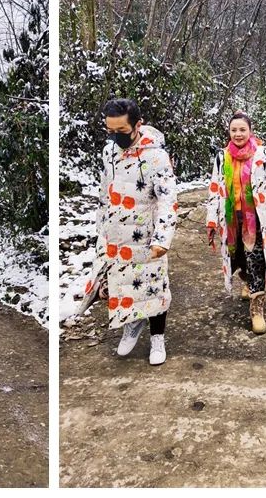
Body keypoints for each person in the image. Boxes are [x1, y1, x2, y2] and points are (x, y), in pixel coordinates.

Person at [82, 98, 177, 365]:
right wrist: (101, 226)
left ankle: (157, 337)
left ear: (138, 125)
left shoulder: (156, 156)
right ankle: (131, 324)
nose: (115, 137)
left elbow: (167, 199)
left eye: (121, 132)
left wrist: (162, 236)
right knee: (121, 282)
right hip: (116, 235)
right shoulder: (109, 152)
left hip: (144, 234)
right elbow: (105, 189)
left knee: (153, 285)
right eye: (110, 131)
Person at [207, 111, 266, 334]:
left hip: (258, 221)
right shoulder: (222, 157)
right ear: (229, 132)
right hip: (233, 222)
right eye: (234, 130)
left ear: (250, 131)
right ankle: (246, 281)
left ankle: (257, 309)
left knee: (257, 261)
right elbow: (215, 190)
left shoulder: (262, 156)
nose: (238, 134)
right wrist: (212, 220)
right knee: (239, 258)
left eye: (242, 129)